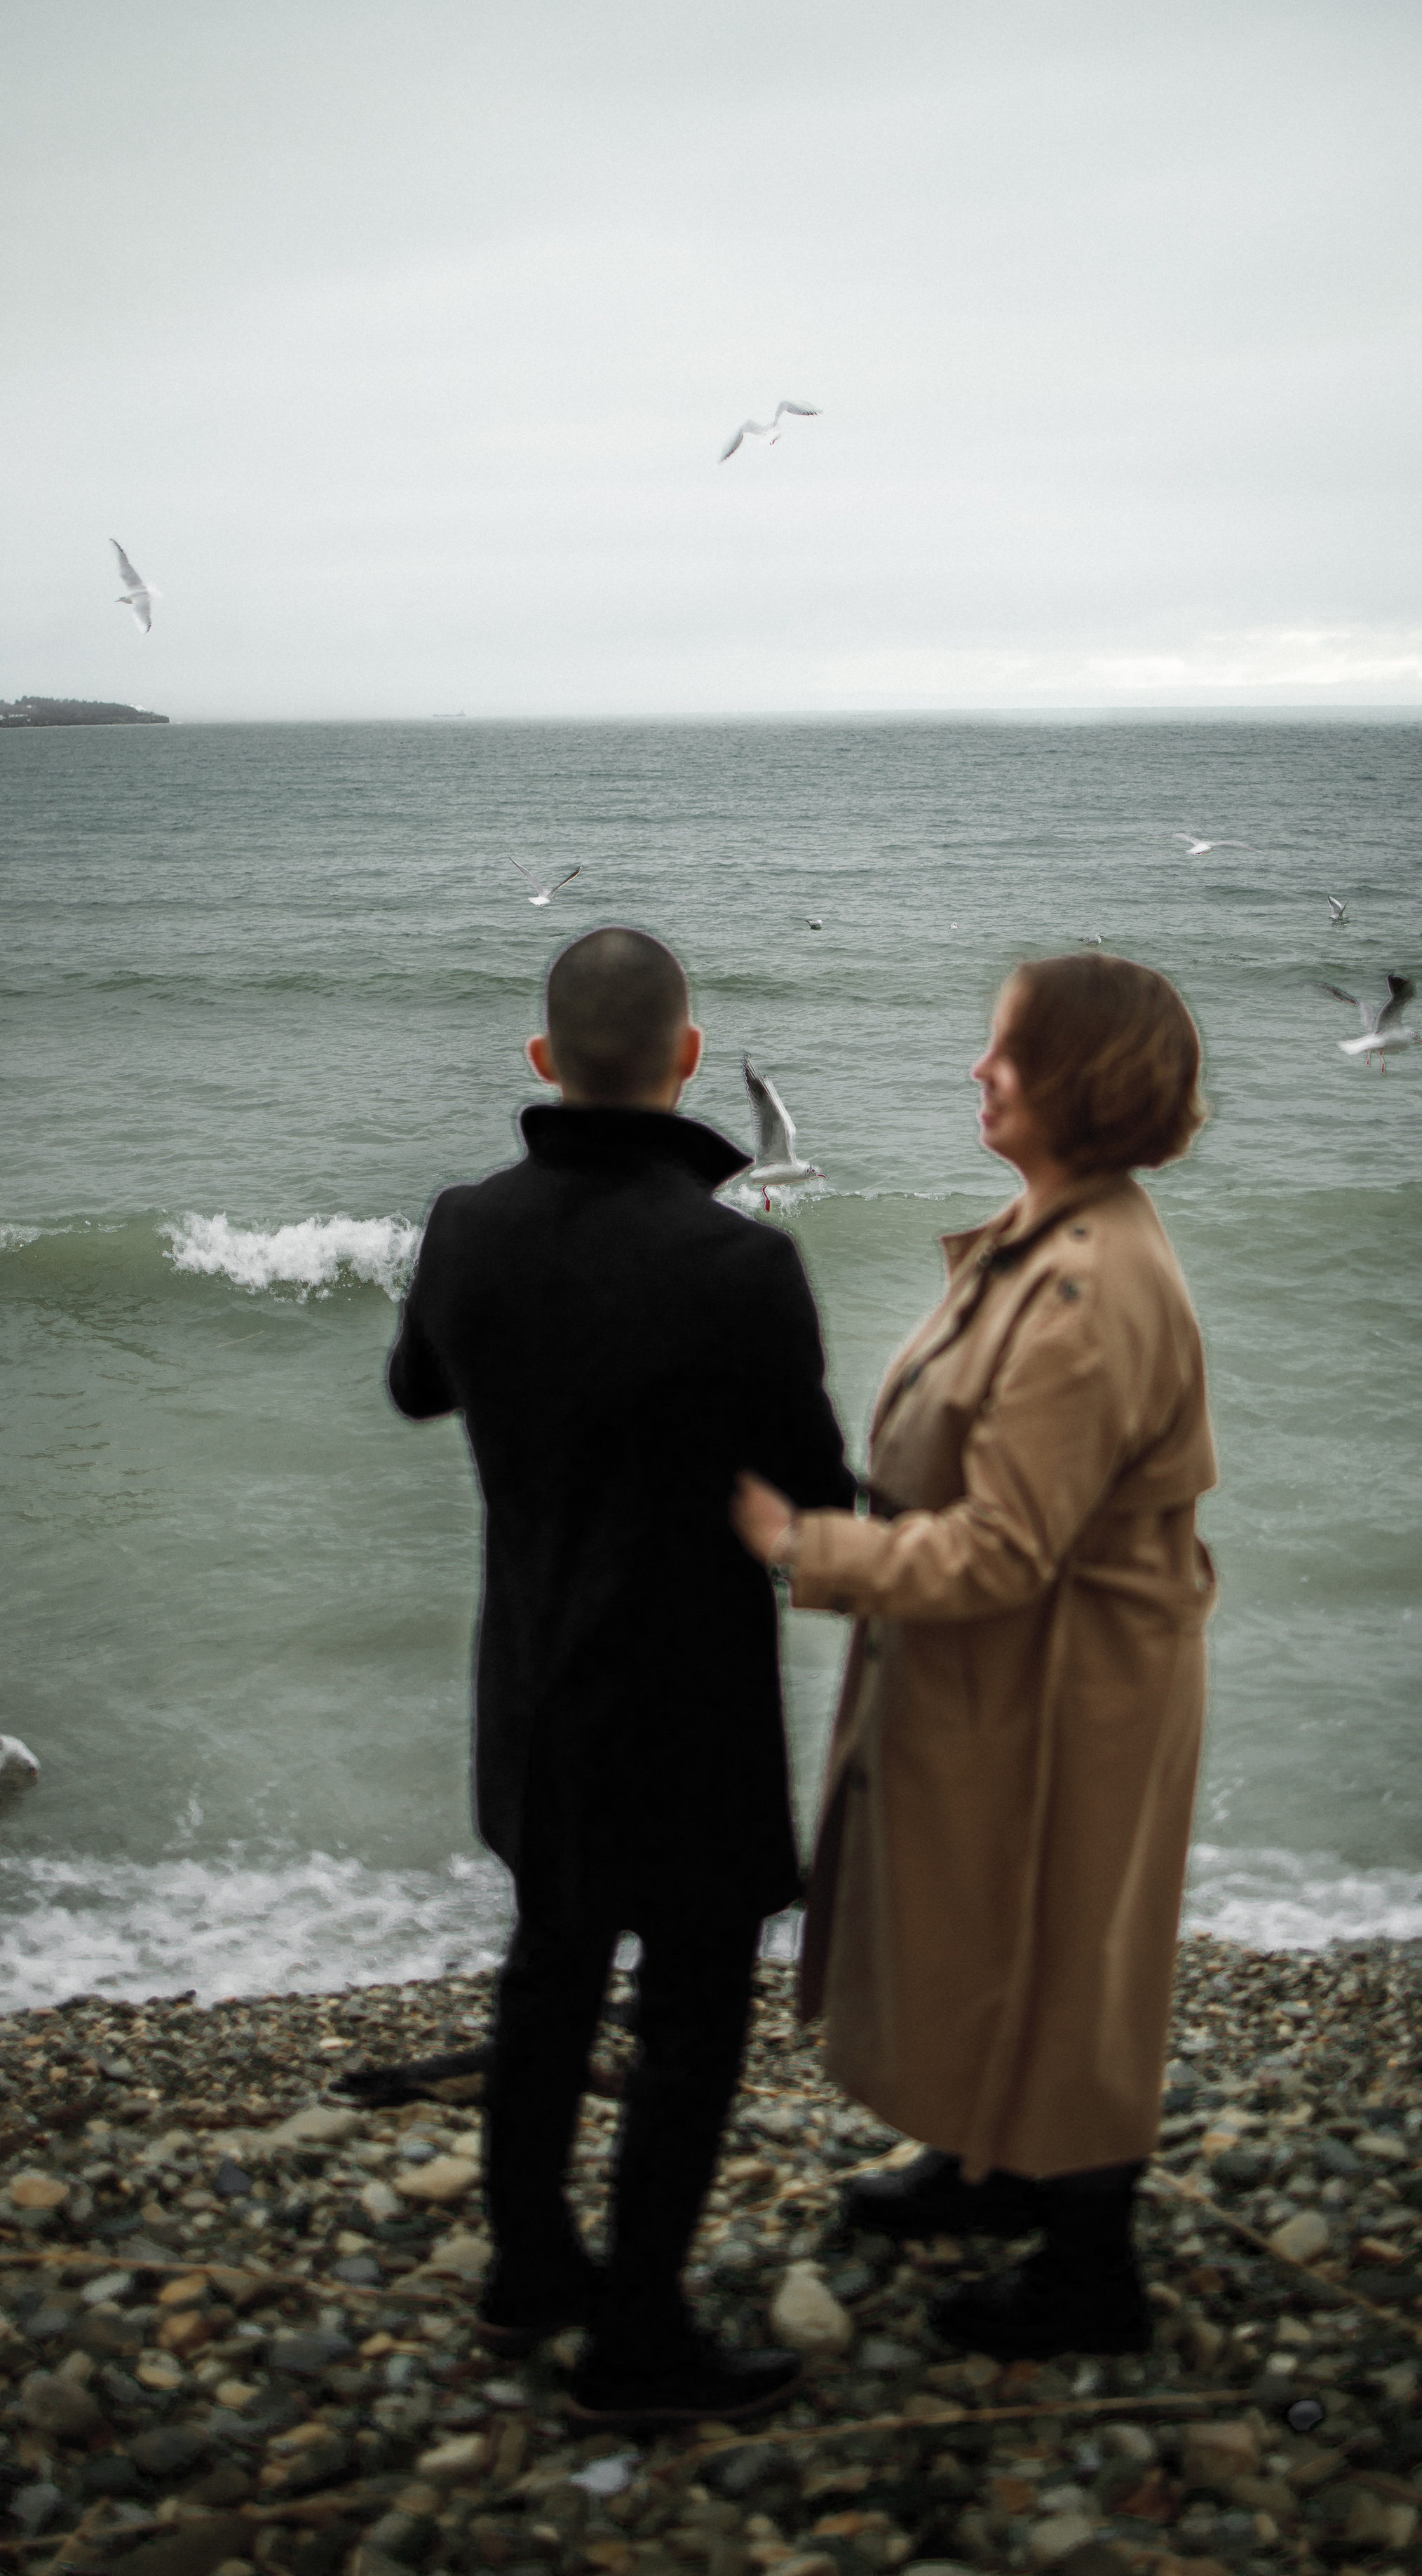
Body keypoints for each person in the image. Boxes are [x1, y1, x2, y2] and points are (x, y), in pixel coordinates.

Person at [388, 925, 856, 2425]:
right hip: (691, 1708)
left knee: (549, 1964)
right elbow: (817, 1501)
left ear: (541, 1063)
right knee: (691, 2010)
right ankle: (638, 2335)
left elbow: (417, 1389)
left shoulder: (467, 1224)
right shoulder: (740, 1262)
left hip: (532, 1691)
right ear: (687, 1060)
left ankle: (531, 2268)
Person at [732, 951, 1217, 2360]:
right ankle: (989, 2168)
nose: (974, 1067)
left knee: (1059, 1947)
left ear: (1073, 1080)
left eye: (999, 1048)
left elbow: (1005, 1551)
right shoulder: (1061, 1227)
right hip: (1031, 1666)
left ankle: (1087, 2272)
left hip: (1069, 1685)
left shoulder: (1079, 1288)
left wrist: (795, 1544)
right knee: (986, 1922)